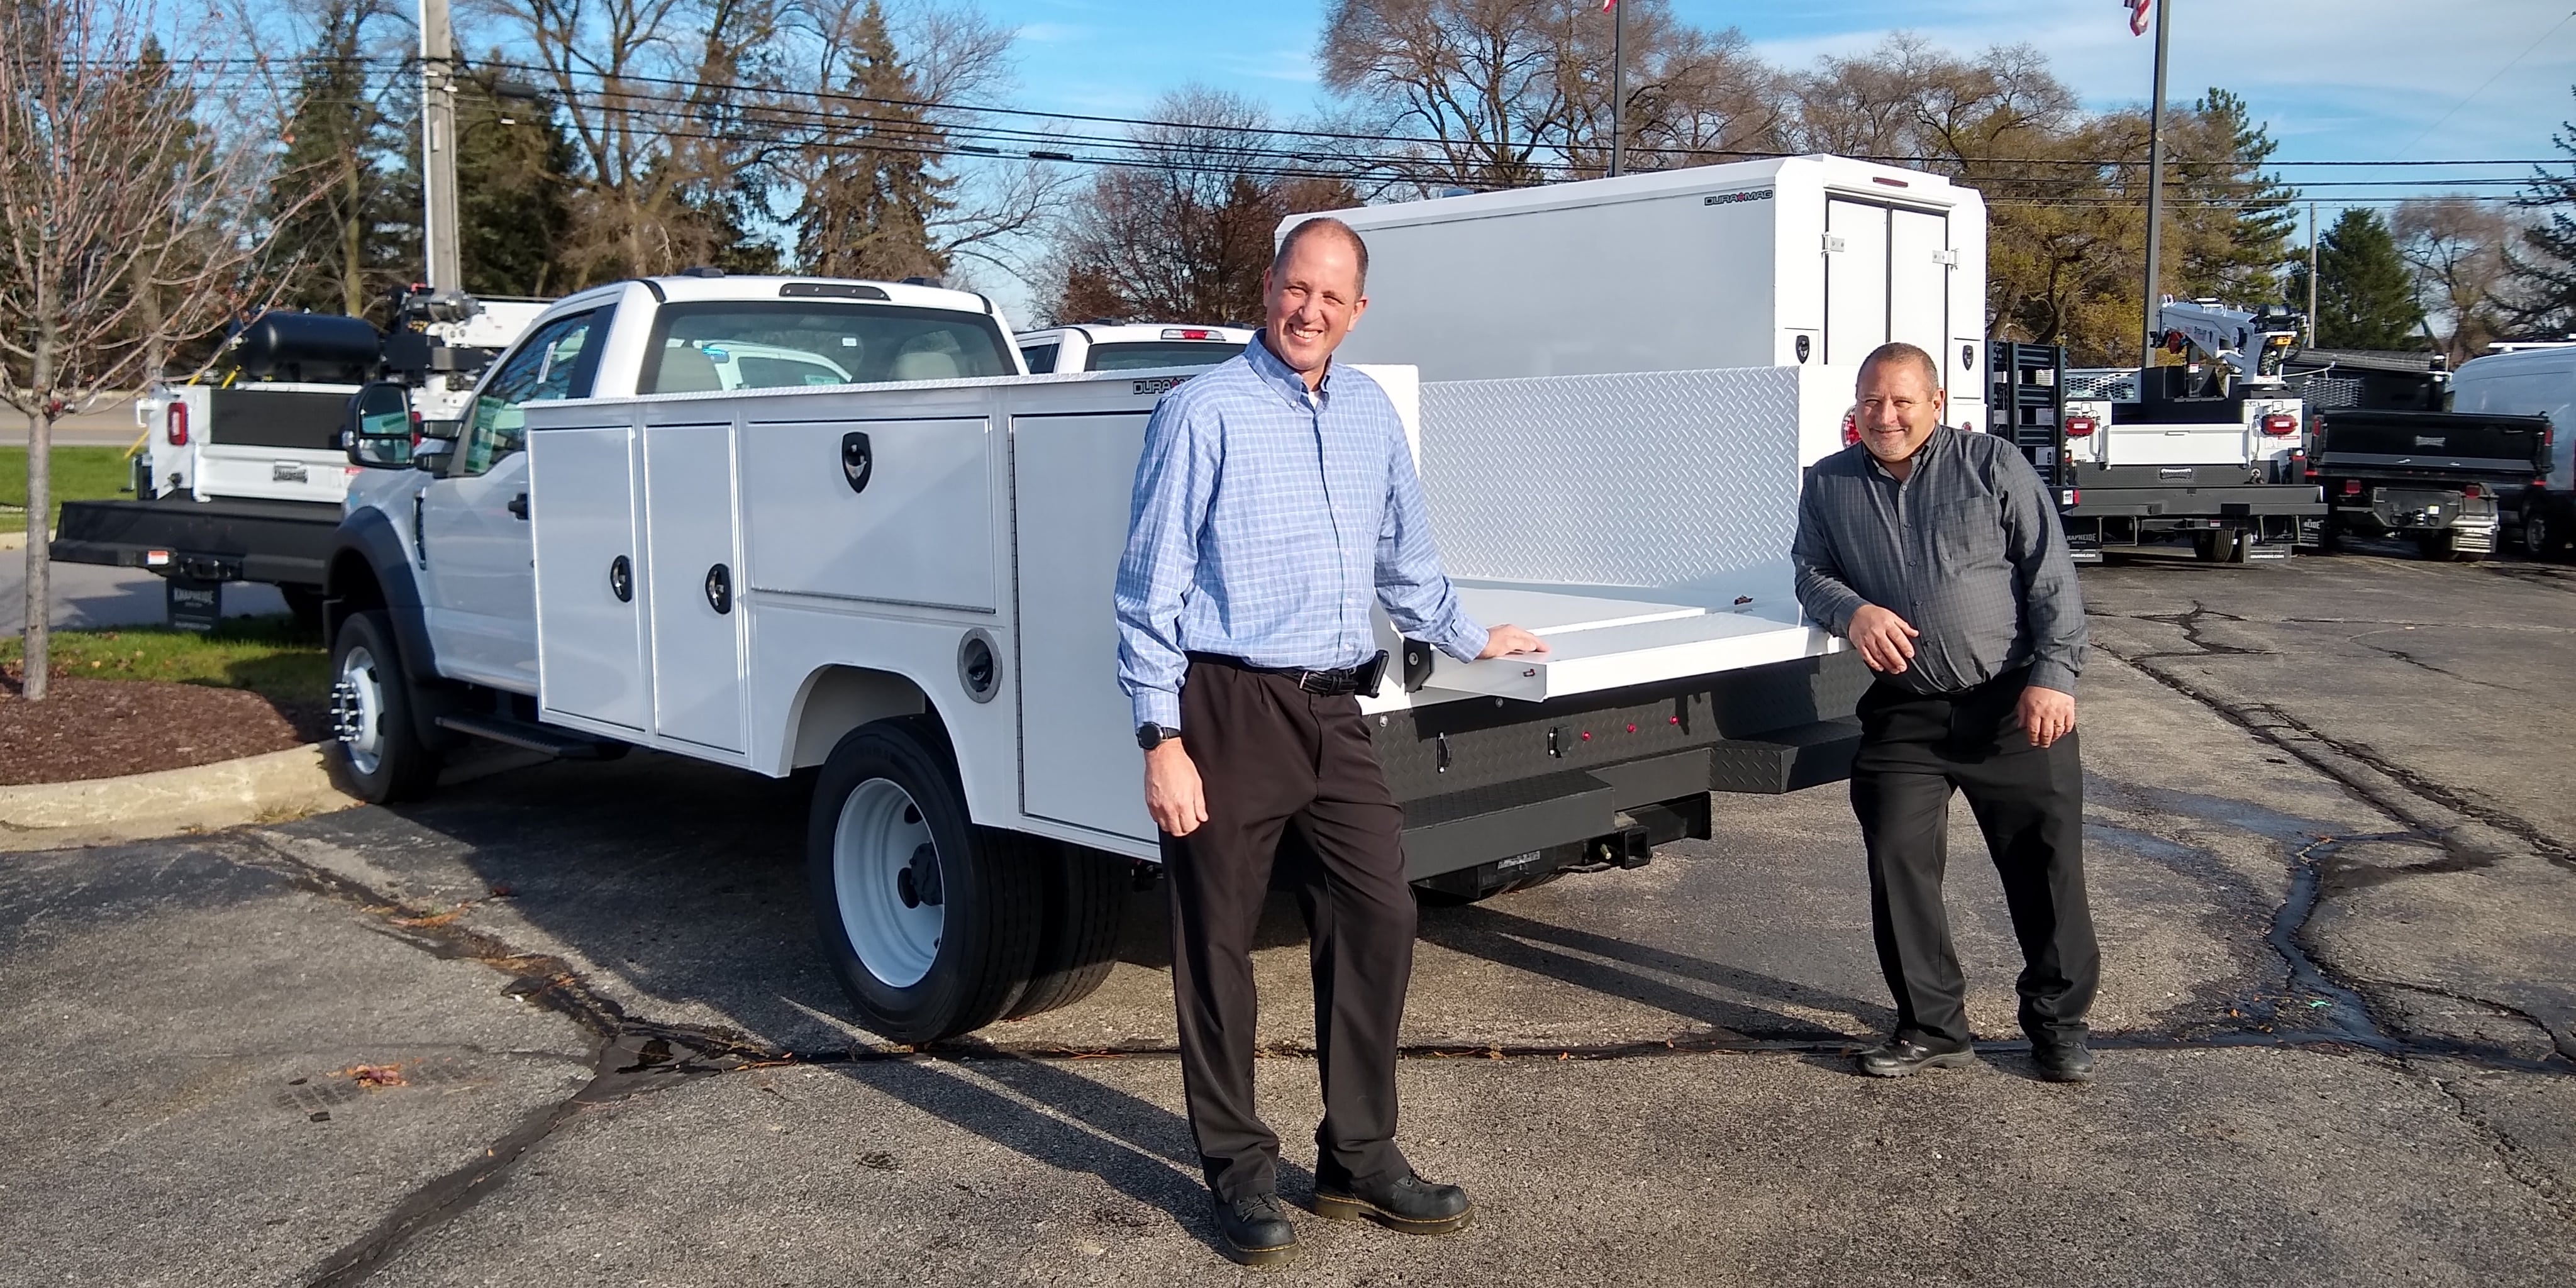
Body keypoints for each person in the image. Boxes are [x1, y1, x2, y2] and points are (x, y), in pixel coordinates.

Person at [1114, 216, 1548, 1267]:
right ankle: (1240, 1171)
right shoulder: (1201, 410)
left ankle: (1358, 1155)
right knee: (1216, 941)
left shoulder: (1366, 411)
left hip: (1333, 706)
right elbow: (1149, 584)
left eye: (1330, 297)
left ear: (1359, 312)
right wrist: (1159, 735)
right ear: (1267, 288)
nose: (1307, 310)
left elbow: (1404, 555)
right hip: (1224, 706)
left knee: (1378, 908)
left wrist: (1465, 633)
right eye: (1293, 288)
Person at [1790, 341, 2101, 1084]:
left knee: (2044, 866)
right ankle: (1931, 1025)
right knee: (1897, 859)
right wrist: (1853, 610)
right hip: (1906, 714)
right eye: (1870, 401)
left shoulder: (1990, 465)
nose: (1884, 414)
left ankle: (2057, 1024)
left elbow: (2049, 573)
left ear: (1937, 405)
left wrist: (2054, 675)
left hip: (2012, 704)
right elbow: (1809, 572)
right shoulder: (1828, 485)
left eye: (1901, 400)